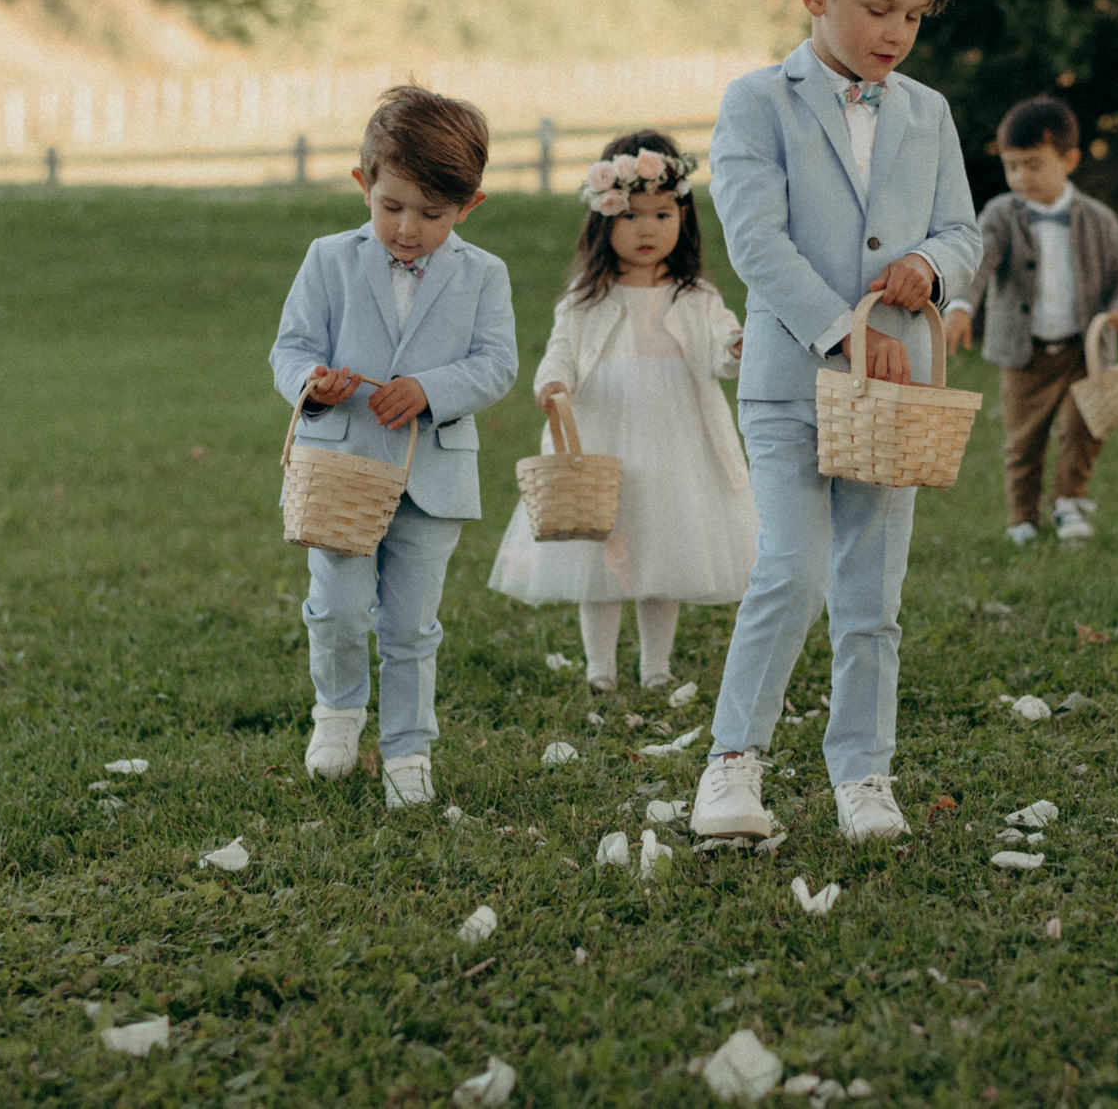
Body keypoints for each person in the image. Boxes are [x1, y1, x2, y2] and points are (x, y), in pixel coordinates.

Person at [690, 0, 982, 844]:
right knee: (791, 569)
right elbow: (755, 242)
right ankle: (732, 762)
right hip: (790, 381)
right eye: (875, 9)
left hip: (892, 398)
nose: (894, 33)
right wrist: (843, 327)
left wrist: (925, 267)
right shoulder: (754, 103)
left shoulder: (925, 112)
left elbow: (961, 230)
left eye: (911, 15)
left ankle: (863, 771)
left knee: (871, 593)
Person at [269, 86, 517, 809]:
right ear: (363, 186)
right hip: (341, 470)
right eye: (392, 207)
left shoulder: (485, 275)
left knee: (411, 623)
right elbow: (291, 347)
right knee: (340, 607)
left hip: (432, 474)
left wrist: (430, 388)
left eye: (432, 215)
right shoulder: (327, 259)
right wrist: (311, 384)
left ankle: (409, 747)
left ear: (468, 205)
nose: (408, 229)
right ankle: (339, 709)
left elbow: (497, 363)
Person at [488, 131, 757, 693]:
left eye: (662, 214)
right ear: (603, 219)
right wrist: (553, 382)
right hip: (605, 430)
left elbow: (719, 351)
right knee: (598, 551)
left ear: (683, 218)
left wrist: (734, 347)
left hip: (675, 438)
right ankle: (600, 668)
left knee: (666, 547)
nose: (647, 229)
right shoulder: (586, 301)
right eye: (630, 215)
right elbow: (561, 352)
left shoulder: (697, 297)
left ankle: (656, 666)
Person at [942, 96, 1118, 545]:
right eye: (1011, 166)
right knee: (1023, 439)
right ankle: (1022, 518)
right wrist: (961, 307)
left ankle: (1069, 501)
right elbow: (978, 262)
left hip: (1083, 350)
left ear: (1069, 160)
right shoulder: (1001, 214)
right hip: (1024, 353)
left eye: (1033, 165)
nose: (1020, 178)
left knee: (1085, 426)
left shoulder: (1098, 219)